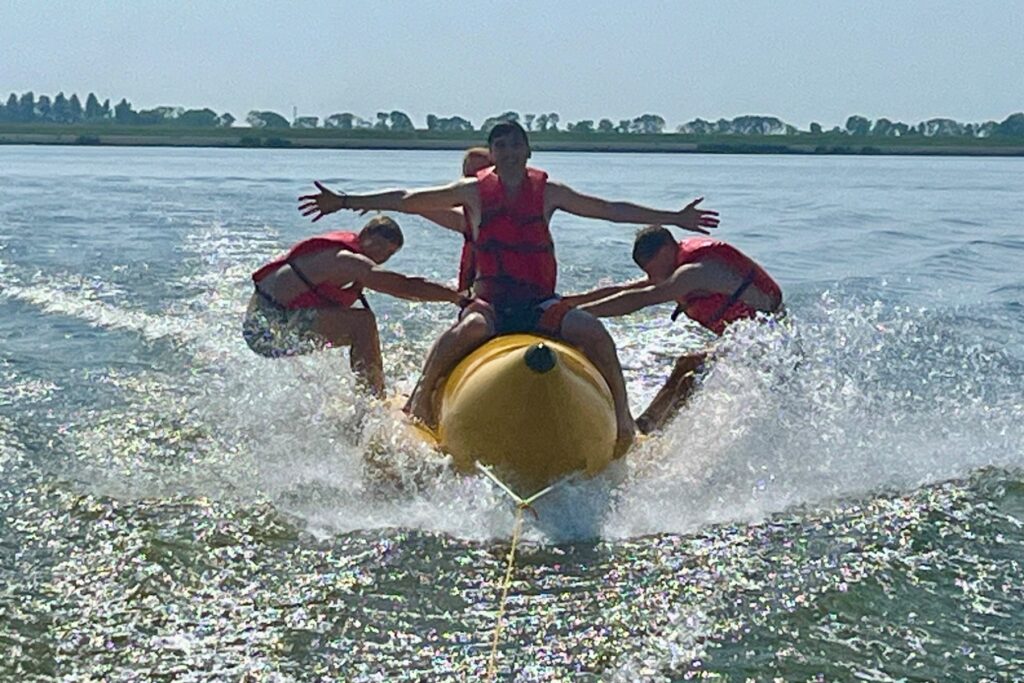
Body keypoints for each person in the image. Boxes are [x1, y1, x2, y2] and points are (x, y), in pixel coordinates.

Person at [297, 121, 719, 454]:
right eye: (501, 146)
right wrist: (347, 201)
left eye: (517, 145)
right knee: (462, 334)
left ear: (528, 151)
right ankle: (421, 401)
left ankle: (622, 419)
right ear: (492, 154)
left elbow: (608, 209)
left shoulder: (550, 191)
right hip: (493, 302)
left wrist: (675, 217)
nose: (510, 152)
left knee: (594, 333)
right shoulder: (473, 193)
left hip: (538, 302)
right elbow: (409, 198)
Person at [580, 225, 784, 433]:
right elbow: (627, 289)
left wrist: (585, 315)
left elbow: (643, 298)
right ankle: (645, 426)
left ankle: (657, 436)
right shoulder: (672, 267)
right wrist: (570, 307)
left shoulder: (696, 272)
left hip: (769, 342)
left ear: (667, 250)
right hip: (746, 339)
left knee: (692, 374)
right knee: (685, 364)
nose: (652, 276)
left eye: (652, 269)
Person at [243, 215, 465, 397]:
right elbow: (403, 286)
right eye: (377, 246)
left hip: (272, 323)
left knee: (360, 322)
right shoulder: (344, 260)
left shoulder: (354, 261)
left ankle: (369, 392)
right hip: (265, 328)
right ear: (364, 235)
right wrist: (456, 297)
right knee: (362, 324)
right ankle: (373, 403)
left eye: (388, 254)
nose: (379, 256)